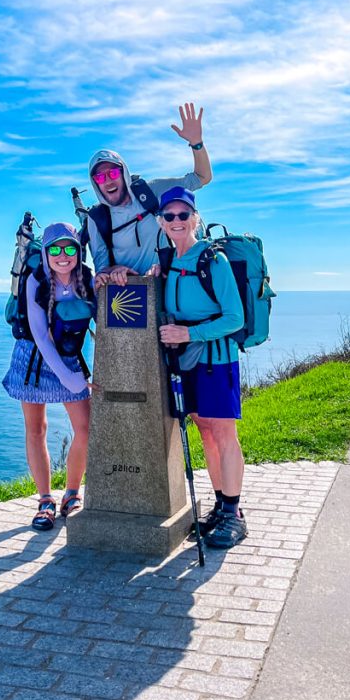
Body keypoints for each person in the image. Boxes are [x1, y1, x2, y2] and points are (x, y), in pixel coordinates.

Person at [149, 187, 246, 549]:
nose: (177, 221)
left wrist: (188, 333)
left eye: (183, 215)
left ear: (195, 219)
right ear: (160, 222)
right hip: (187, 363)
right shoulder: (168, 262)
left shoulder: (213, 260)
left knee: (223, 434)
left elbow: (234, 318)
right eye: (169, 216)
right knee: (205, 431)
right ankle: (221, 505)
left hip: (217, 361)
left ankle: (235, 514)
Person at [2, 223, 94, 530]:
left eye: (70, 248)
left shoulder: (87, 279)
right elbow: (41, 336)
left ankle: (71, 493)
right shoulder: (36, 279)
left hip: (68, 358)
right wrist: (73, 381)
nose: (63, 255)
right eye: (55, 249)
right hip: (32, 360)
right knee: (37, 428)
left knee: (86, 427)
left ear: (78, 252)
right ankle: (44, 500)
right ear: (45, 252)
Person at [87, 103, 212, 290]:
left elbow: (202, 177)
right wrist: (117, 269)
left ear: (124, 173)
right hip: (130, 297)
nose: (108, 181)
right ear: (95, 183)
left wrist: (196, 143)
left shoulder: (151, 192)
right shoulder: (97, 218)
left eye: (113, 173)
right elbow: (101, 272)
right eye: (99, 177)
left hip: (172, 288)